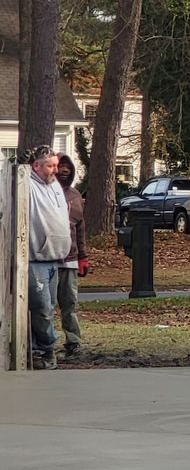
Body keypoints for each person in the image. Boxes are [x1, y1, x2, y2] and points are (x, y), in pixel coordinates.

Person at [23, 145, 70, 370]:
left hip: (55, 257)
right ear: (36, 166)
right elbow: (10, 180)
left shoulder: (56, 187)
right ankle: (45, 348)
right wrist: (19, 166)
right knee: (41, 307)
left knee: (49, 307)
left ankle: (40, 349)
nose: (55, 170)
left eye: (56, 165)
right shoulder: (28, 184)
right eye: (50, 166)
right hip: (36, 258)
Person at [55, 153, 87, 361]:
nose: (64, 170)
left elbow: (80, 228)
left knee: (69, 303)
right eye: (60, 166)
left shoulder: (75, 196)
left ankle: (73, 341)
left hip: (70, 259)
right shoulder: (44, 192)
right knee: (44, 305)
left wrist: (83, 256)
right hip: (46, 258)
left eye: (68, 167)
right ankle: (43, 343)